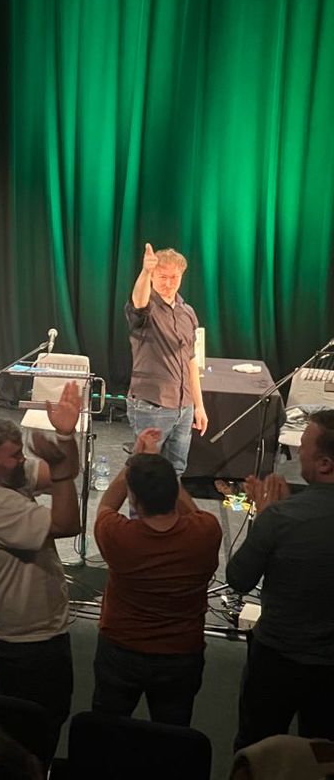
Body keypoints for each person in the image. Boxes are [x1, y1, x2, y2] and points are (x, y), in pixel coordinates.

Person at [0, 382, 82, 763]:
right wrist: (60, 470)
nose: (22, 460)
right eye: (15, 456)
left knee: (14, 714)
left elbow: (67, 470)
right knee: (38, 724)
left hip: (15, 630)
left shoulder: (0, 474)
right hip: (27, 637)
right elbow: (66, 522)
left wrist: (65, 435)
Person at [91, 428, 221, 725]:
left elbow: (106, 506)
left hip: (120, 649)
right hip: (181, 654)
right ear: (173, 492)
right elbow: (192, 512)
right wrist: (162, 472)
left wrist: (134, 462)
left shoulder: (117, 535)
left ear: (135, 502)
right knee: (172, 734)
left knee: (105, 730)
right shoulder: (206, 531)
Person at [227, 409, 334, 749]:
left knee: (255, 746)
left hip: (277, 660)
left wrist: (265, 516)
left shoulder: (280, 517)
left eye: (303, 445)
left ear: (324, 463)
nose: (298, 452)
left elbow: (239, 578)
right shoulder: (287, 515)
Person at [125, 243, 208, 477]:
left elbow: (191, 361)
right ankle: (140, 515)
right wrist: (145, 271)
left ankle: (170, 515)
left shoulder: (187, 312)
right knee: (145, 472)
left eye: (174, 277)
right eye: (162, 276)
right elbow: (138, 301)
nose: (169, 283)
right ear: (153, 277)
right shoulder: (146, 307)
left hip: (184, 408)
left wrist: (198, 406)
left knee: (176, 471)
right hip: (152, 406)